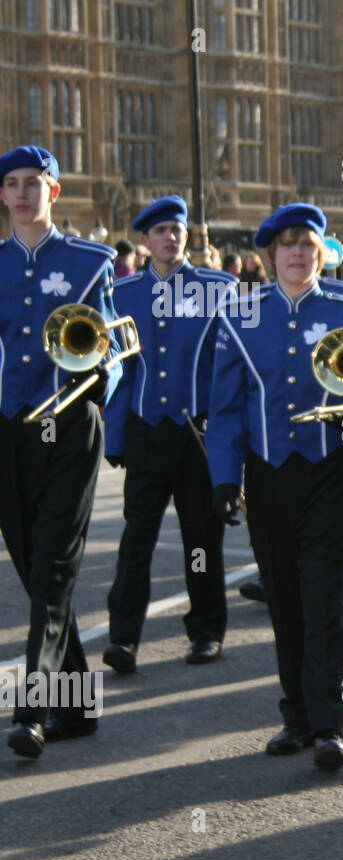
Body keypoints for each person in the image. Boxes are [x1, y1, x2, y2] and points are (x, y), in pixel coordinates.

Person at [207, 203, 343, 769]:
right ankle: (297, 717)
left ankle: (329, 723)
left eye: (307, 243)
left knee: (323, 592)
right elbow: (227, 409)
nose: (297, 253)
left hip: (328, 469)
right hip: (266, 473)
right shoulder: (241, 314)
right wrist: (222, 479)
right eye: (287, 244)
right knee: (283, 596)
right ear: (270, 254)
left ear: (321, 252)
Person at [1, 146, 124, 758]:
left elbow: (115, 344)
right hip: (9, 431)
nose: (23, 193)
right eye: (13, 184)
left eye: (34, 183)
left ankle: (31, 709)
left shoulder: (90, 260)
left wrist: (102, 374)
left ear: (54, 192)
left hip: (70, 427)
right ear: (2, 195)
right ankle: (78, 707)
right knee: (34, 568)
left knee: (52, 568)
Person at [100, 195, 234, 672]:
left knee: (200, 540)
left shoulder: (219, 289)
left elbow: (231, 368)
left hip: (196, 434)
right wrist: (114, 437)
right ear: (145, 239)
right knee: (138, 538)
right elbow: (120, 374)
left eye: (177, 230)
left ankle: (205, 631)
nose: (171, 238)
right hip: (146, 431)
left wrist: (229, 442)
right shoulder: (123, 294)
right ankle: (123, 638)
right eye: (161, 232)